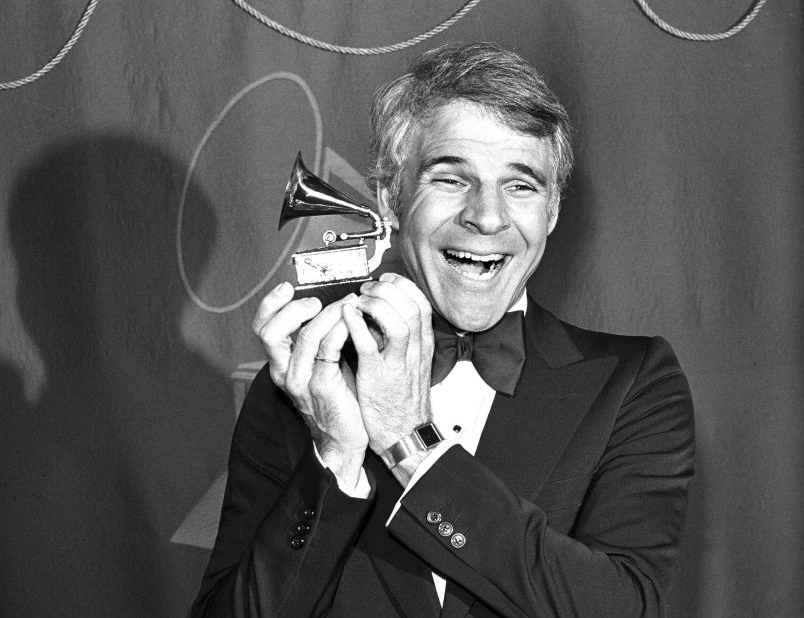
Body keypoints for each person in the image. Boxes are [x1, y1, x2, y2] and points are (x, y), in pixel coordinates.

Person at [193, 41, 694, 617]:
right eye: (452, 179)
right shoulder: (301, 386)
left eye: (521, 184)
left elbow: (623, 610)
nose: (486, 216)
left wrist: (409, 443)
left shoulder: (633, 383)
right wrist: (335, 456)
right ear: (391, 197)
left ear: (552, 212)